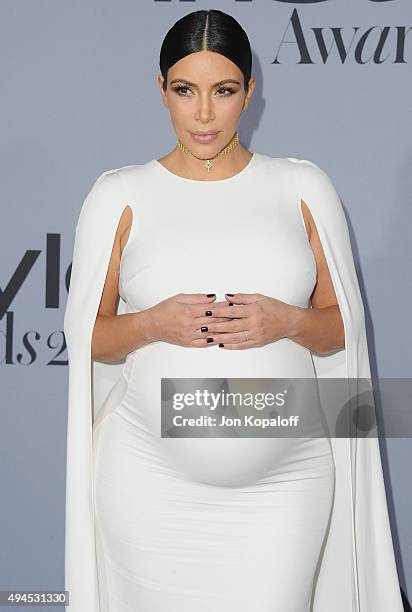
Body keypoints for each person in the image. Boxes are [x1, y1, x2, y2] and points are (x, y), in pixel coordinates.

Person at [63, 8, 404, 612]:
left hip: (285, 486)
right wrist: (154, 324)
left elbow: (341, 329)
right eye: (184, 90)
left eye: (222, 91)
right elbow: (88, 337)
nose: (202, 114)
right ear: (161, 90)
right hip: (147, 487)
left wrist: (286, 321)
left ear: (249, 93)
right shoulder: (119, 196)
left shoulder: (302, 187)